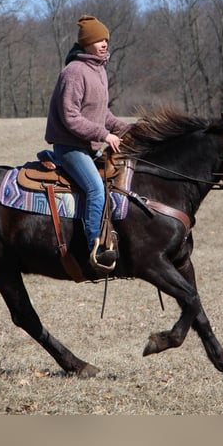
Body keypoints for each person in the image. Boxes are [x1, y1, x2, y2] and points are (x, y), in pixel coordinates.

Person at [44, 15, 129, 270]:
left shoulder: (99, 70)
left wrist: (128, 129)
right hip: (69, 147)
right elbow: (71, 118)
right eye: (97, 39)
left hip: (88, 146)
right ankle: (97, 245)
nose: (104, 43)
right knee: (96, 189)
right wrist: (104, 135)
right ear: (85, 43)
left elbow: (101, 113)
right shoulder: (73, 72)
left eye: (105, 39)